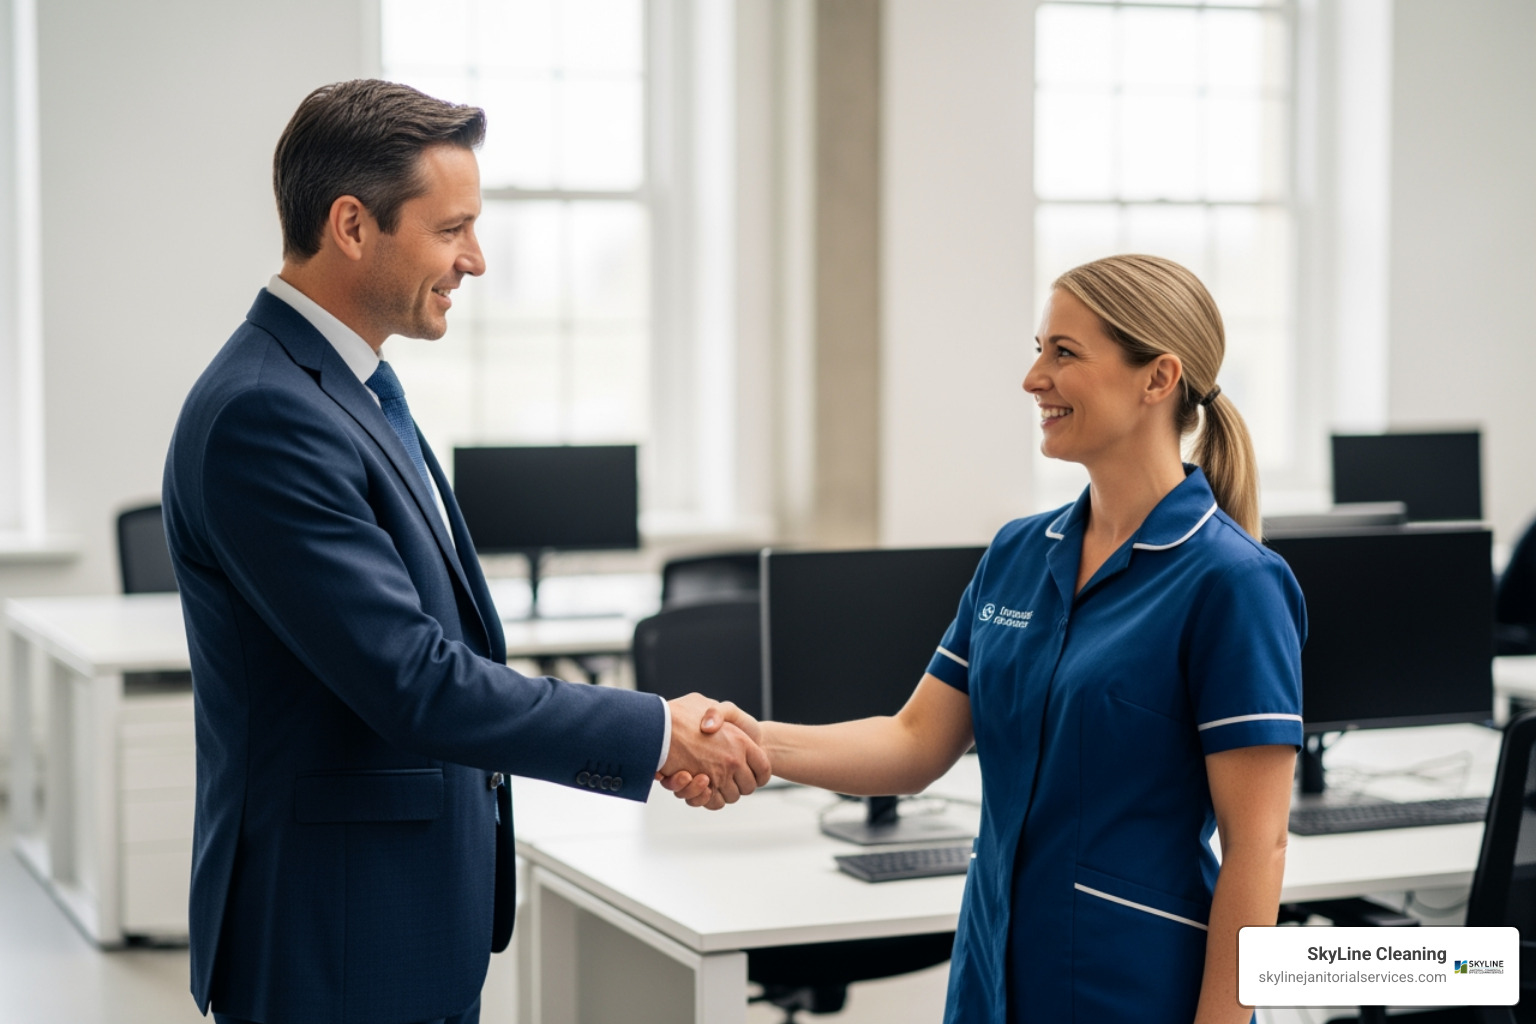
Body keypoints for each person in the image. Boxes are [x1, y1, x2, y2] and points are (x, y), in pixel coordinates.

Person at [162, 79, 768, 1024]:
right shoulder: (265, 413)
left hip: (398, 912)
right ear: (353, 225)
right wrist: (653, 733)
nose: (475, 260)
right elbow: (415, 681)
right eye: (452, 230)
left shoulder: (346, 388)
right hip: (334, 929)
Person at [668, 254, 1305, 1024]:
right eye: (1040, 348)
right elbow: (913, 744)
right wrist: (750, 739)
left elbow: (1257, 849)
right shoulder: (1018, 553)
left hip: (1134, 986)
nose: (1033, 378)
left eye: (1063, 353)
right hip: (993, 973)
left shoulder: (1232, 583)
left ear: (1158, 378)